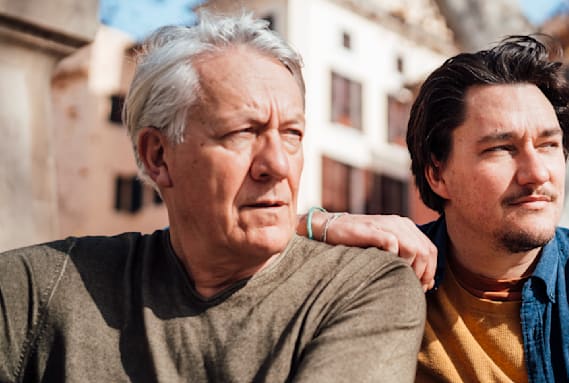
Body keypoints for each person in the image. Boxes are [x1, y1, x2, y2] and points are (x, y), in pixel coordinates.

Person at [0, 13, 425, 382]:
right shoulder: (38, 288)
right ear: (158, 155)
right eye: (243, 132)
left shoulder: (364, 288)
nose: (277, 164)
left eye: (291, 133)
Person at [320, 35, 569, 381]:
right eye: (501, 148)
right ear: (437, 174)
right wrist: (320, 225)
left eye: (548, 145)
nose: (537, 173)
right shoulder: (375, 279)